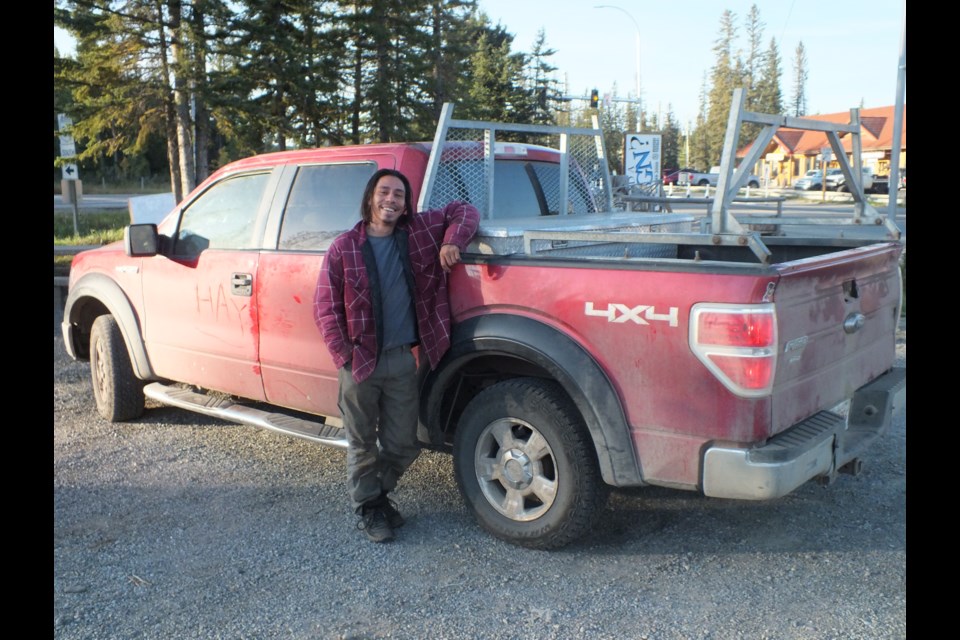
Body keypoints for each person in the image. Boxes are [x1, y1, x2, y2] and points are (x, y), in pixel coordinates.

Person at [314, 168, 479, 542]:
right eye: (384, 192)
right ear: (371, 197)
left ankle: (376, 497)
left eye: (399, 195)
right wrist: (345, 356)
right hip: (360, 361)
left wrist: (452, 241)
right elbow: (324, 307)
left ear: (406, 204)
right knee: (361, 442)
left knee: (404, 443)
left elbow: (464, 209)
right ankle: (371, 509)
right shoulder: (344, 248)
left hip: (403, 359)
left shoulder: (418, 233)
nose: (391, 200)